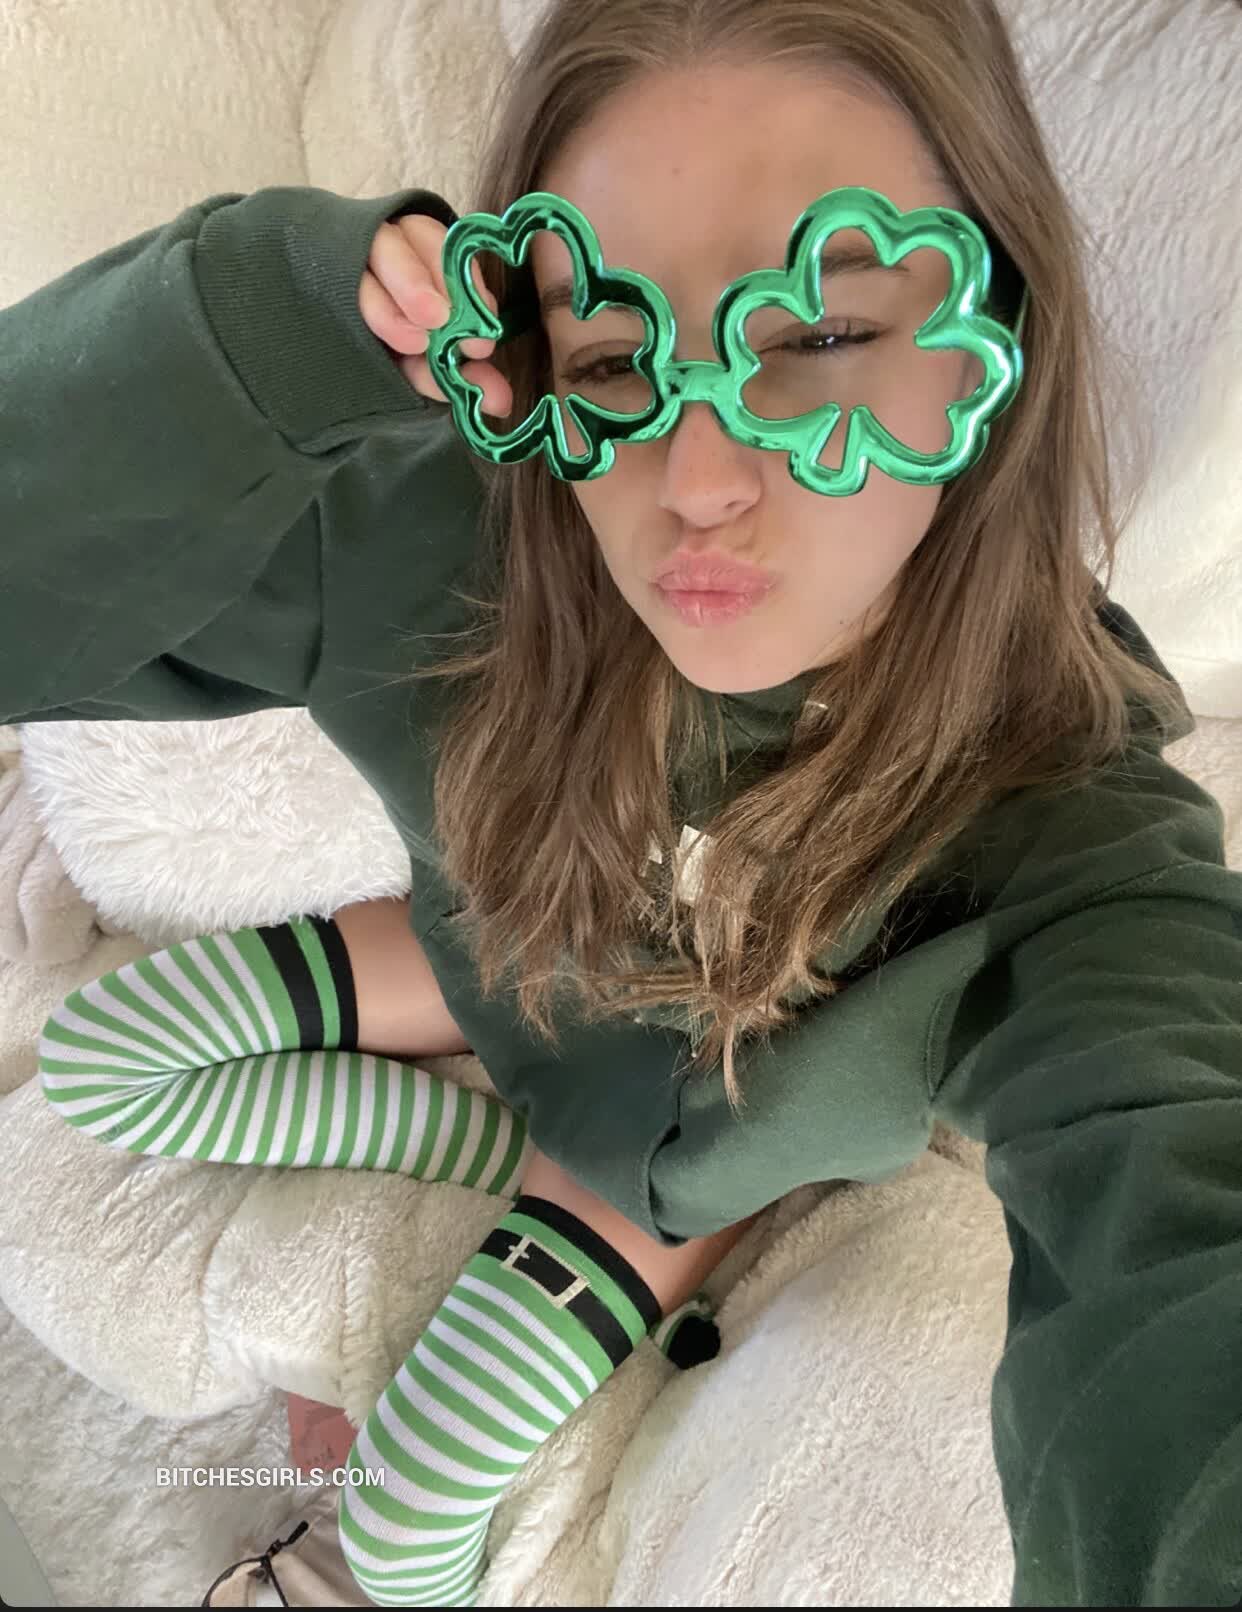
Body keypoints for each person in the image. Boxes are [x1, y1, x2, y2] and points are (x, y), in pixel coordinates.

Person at [5, 0, 1240, 1604]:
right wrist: (266, 329)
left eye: (814, 338)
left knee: (402, 1532)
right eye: (608, 358)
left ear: (986, 337)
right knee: (102, 1062)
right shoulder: (435, 554)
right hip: (513, 967)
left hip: (686, 1147)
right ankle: (494, 1150)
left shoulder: (1062, 808)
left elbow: (1178, 1220)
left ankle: (600, 1210)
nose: (699, 479)